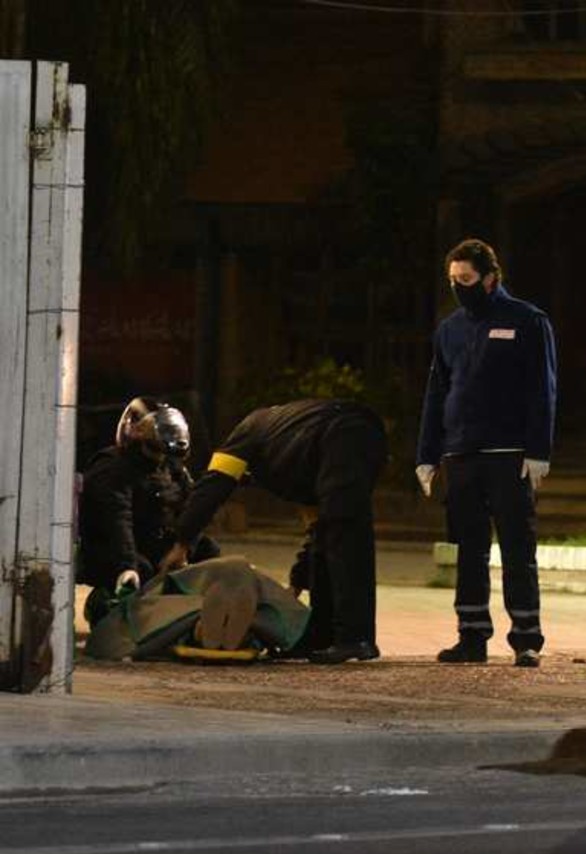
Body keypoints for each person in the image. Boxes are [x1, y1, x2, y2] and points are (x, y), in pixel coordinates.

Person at [417, 238, 558, 667]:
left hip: (509, 453)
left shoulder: (528, 321)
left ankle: (526, 638)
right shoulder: (450, 329)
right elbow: (436, 391)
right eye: (453, 280)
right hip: (461, 454)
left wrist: (538, 450)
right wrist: (427, 453)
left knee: (518, 546)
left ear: (491, 278)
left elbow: (543, 389)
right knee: (469, 548)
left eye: (467, 279)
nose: (460, 287)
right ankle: (471, 635)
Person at [161, 399, 387, 664]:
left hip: (341, 436)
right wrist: (298, 580)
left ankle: (355, 639)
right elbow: (317, 531)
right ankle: (323, 636)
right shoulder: (295, 456)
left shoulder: (243, 435)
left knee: (344, 535)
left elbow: (212, 487)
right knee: (333, 533)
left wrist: (182, 543)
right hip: (367, 436)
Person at [78, 397, 222, 623]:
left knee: (209, 551)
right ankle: (110, 607)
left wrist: (184, 547)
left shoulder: (171, 466)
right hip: (114, 548)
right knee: (140, 571)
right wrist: (127, 566)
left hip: (155, 542)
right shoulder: (112, 467)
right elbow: (116, 521)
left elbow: (191, 507)